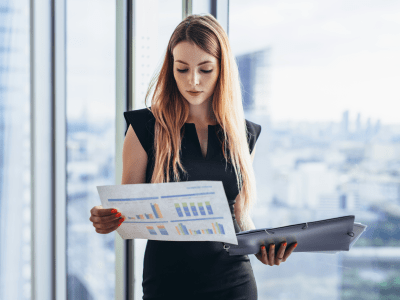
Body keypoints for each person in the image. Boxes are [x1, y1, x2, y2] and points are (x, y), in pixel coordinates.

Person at [89, 13, 297, 300]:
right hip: (167, 282)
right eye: (182, 69)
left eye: (206, 69)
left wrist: (262, 249)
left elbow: (239, 218)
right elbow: (128, 210)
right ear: (170, 69)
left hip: (233, 282)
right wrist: (107, 218)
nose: (194, 81)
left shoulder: (245, 134)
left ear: (222, 70)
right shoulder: (145, 129)